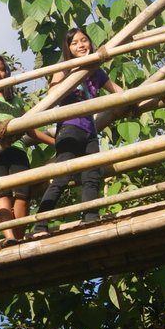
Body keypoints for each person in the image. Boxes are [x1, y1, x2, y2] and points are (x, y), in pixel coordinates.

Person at [36, 29, 123, 228]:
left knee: (92, 175)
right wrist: (74, 74)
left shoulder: (97, 71)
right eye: (74, 43)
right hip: (70, 127)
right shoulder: (65, 67)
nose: (81, 45)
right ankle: (40, 226)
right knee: (62, 176)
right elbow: (52, 94)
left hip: (90, 131)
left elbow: (117, 91)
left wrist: (136, 98)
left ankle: (90, 219)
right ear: (69, 50)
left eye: (84, 40)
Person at [0, 54, 51, 245]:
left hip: (17, 149)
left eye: (1, 69)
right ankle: (10, 238)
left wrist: (53, 141)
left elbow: (30, 129)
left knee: (23, 193)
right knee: (3, 194)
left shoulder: (15, 101)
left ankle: (19, 238)